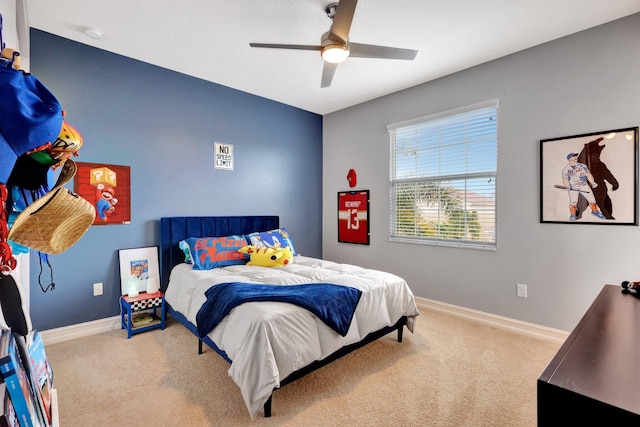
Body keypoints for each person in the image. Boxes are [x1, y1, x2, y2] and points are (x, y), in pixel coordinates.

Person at [562, 153, 606, 221]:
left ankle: (595, 212)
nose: (575, 159)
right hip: (573, 187)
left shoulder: (582, 166)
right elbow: (565, 179)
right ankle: (573, 215)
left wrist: (592, 182)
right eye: (573, 158)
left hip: (583, 185)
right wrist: (567, 186)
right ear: (569, 159)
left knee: (592, 199)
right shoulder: (566, 169)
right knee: (573, 201)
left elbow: (588, 174)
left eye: (576, 158)